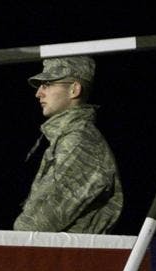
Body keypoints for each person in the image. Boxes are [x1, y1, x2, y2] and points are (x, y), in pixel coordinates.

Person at [13, 55, 123, 234]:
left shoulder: (80, 141)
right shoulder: (65, 138)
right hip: (55, 254)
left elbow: (38, 224)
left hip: (69, 258)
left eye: (47, 84)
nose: (38, 93)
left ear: (74, 90)